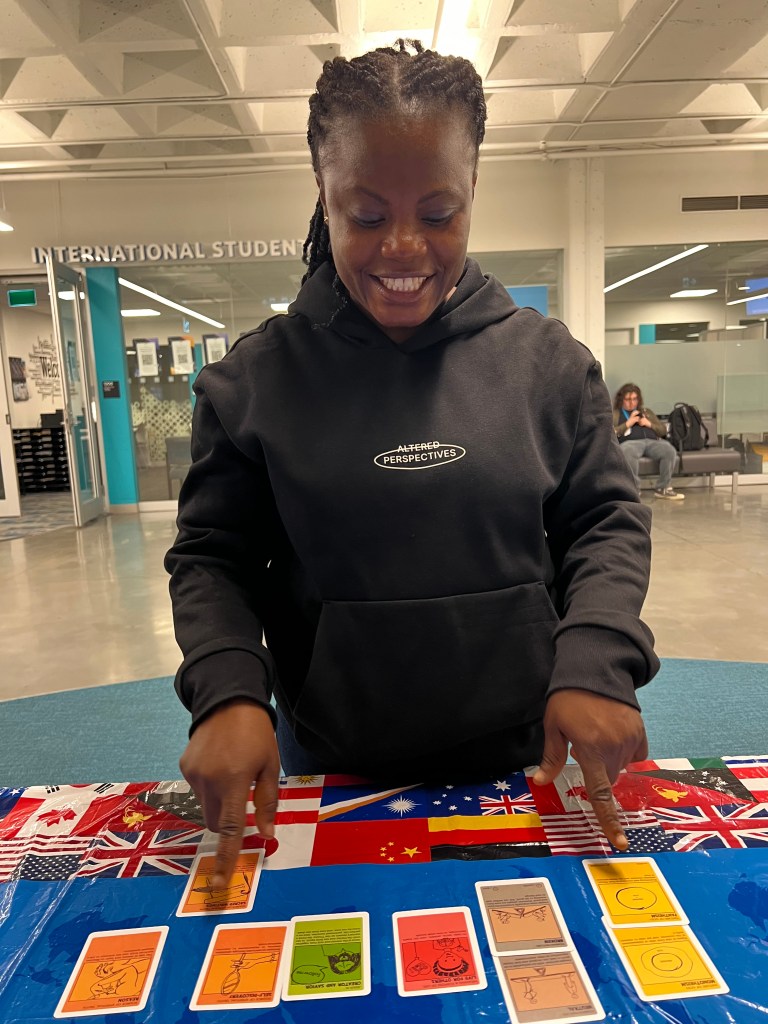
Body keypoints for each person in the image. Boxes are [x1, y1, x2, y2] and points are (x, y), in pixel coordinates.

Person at [165, 40, 659, 890]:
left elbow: (605, 522)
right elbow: (214, 558)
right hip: (333, 770)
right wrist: (230, 691)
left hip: (531, 758)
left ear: (473, 190)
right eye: (365, 216)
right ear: (322, 191)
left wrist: (599, 659)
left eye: (438, 214)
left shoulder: (548, 365)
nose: (402, 247)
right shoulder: (254, 381)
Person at [612, 383, 684, 501]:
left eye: (635, 399)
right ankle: (634, 489)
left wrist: (649, 424)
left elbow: (663, 430)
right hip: (631, 443)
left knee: (669, 450)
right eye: (628, 399)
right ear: (621, 400)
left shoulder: (646, 412)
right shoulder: (616, 414)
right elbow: (611, 433)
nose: (632, 403)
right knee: (627, 450)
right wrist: (628, 423)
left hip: (652, 442)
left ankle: (663, 487)